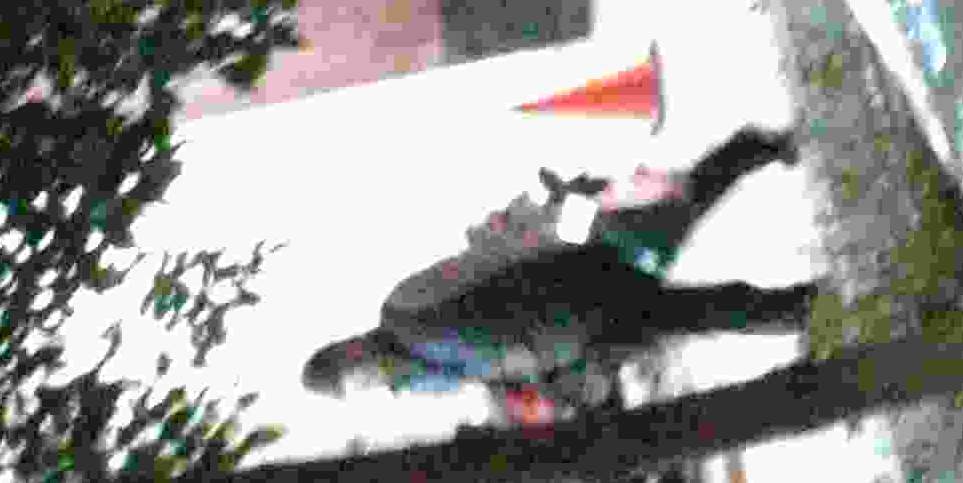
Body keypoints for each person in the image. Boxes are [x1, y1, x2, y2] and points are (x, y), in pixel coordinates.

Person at [302, 123, 814, 400]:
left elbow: (488, 260)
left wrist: (563, 221)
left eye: (354, 380)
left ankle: (756, 148)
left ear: (350, 352)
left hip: (580, 276)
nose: (367, 386)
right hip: (589, 333)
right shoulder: (421, 377)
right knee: (707, 312)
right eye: (357, 392)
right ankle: (807, 308)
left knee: (677, 213)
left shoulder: (403, 310)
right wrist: (569, 370)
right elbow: (507, 364)